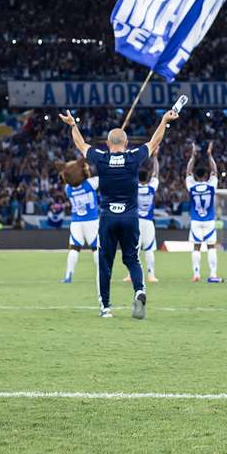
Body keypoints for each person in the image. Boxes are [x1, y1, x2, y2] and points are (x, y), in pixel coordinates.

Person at [59, 109, 179, 319]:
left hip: (108, 218)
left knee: (105, 263)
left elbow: (80, 144)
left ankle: (105, 308)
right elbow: (154, 142)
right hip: (130, 217)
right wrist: (164, 120)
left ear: (107, 144)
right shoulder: (133, 157)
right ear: (126, 143)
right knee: (132, 259)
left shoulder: (101, 158)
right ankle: (139, 290)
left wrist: (73, 125)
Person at [57, 158, 99, 284]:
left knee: (74, 248)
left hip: (76, 221)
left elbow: (69, 178)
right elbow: (101, 176)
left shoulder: (68, 189)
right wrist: (86, 169)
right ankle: (101, 274)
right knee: (96, 248)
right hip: (91, 221)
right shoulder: (91, 184)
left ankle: (68, 276)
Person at [186, 142, 221, 283]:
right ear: (206, 175)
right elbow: (215, 171)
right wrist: (210, 155)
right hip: (209, 220)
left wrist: (193, 157)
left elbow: (188, 172)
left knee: (196, 247)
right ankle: (213, 273)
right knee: (211, 246)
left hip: (196, 220)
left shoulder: (192, 186)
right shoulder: (211, 185)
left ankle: (196, 273)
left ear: (195, 175)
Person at [134, 147, 161, 283]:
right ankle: (151, 275)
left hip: (135, 222)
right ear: (148, 177)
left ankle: (131, 275)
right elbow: (156, 173)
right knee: (149, 248)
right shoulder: (151, 187)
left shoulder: (133, 187)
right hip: (148, 222)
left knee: (134, 249)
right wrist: (155, 157)